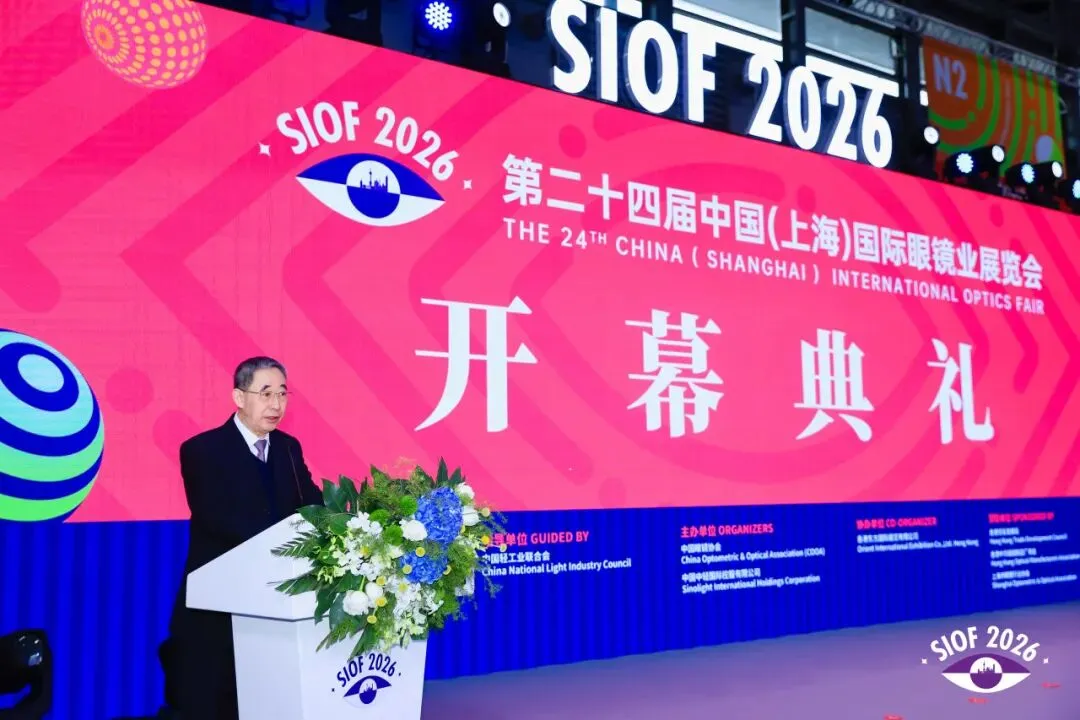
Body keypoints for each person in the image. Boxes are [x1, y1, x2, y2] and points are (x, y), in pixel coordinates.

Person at [157, 357, 324, 719]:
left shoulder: (288, 448)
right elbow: (217, 518)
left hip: (275, 606)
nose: (276, 404)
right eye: (266, 393)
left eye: (282, 394)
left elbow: (312, 505)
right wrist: (286, 545)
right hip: (218, 604)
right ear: (238, 397)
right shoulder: (202, 449)